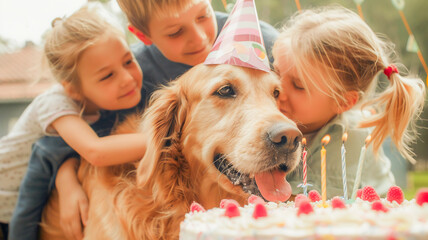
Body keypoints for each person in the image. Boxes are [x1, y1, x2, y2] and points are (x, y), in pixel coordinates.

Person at [6, 0, 279, 239]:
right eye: (174, 32)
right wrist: (66, 181)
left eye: (202, 16)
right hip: (10, 185)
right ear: (143, 36)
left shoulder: (260, 39)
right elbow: (63, 149)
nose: (199, 38)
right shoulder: (79, 93)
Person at [5, 5, 148, 240]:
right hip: (8, 194)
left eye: (128, 61)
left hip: (45, 174)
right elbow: (96, 151)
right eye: (107, 76)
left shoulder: (105, 100)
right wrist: (169, 136)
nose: (127, 78)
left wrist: (66, 175)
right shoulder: (54, 104)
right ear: (73, 90)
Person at [272, 6, 425, 199]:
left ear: (344, 101)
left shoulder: (358, 143)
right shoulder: (262, 119)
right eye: (276, 72)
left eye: (299, 85)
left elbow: (384, 207)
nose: (279, 91)